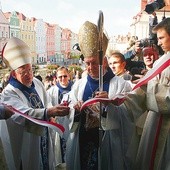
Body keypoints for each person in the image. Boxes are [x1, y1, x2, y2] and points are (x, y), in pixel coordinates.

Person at [103, 18, 170, 170]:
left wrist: (150, 87)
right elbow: (142, 93)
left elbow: (152, 90)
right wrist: (118, 101)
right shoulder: (161, 62)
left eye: (161, 38)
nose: (158, 43)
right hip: (154, 125)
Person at [65, 21, 133, 170]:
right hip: (83, 139)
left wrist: (111, 104)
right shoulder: (79, 85)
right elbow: (69, 105)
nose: (90, 68)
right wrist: (74, 109)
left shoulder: (120, 84)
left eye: (94, 63)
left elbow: (129, 114)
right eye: (87, 63)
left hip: (108, 141)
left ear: (104, 61)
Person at [0, 37, 70, 170]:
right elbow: (22, 114)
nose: (28, 75)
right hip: (26, 143)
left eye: (30, 70)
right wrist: (49, 112)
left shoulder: (37, 83)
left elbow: (47, 102)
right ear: (14, 73)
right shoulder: (9, 93)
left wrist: (50, 112)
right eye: (23, 71)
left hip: (44, 138)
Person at [47, 66, 73, 166]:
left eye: (65, 76)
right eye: (60, 77)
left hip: (71, 125)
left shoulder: (76, 88)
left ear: (69, 76)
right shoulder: (51, 92)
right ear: (56, 78)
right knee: (59, 151)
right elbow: (48, 105)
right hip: (58, 126)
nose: (63, 79)